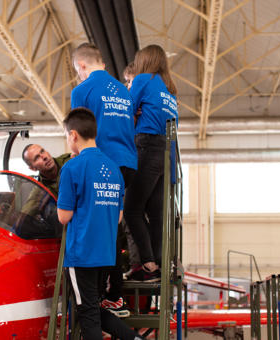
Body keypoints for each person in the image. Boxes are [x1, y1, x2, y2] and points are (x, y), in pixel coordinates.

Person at [57, 108, 142, 340]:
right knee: (93, 308)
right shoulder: (114, 168)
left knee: (88, 313)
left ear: (73, 135)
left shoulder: (72, 168)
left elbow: (63, 216)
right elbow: (118, 217)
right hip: (105, 254)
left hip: (82, 253)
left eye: (66, 136)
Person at [71, 42, 137, 316]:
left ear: (82, 66)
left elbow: (76, 134)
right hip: (129, 164)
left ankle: (104, 293)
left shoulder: (82, 90)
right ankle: (114, 294)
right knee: (113, 226)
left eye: (78, 70)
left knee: (94, 226)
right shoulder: (123, 90)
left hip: (102, 163)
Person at [124, 44, 178, 282]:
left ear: (143, 61)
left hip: (145, 144)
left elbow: (127, 110)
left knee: (132, 209)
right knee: (156, 213)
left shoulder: (143, 80)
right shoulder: (169, 89)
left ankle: (147, 264)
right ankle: (159, 262)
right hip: (165, 152)